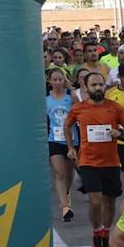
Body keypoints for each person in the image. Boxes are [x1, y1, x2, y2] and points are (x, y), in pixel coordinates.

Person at [65, 71, 124, 247]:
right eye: (94, 85)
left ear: (105, 86)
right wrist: (71, 147)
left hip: (111, 162)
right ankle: (96, 232)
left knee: (110, 201)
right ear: (86, 87)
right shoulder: (79, 108)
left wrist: (120, 133)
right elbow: (67, 125)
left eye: (101, 85)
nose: (98, 88)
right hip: (88, 161)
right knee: (95, 200)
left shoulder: (115, 107)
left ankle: (105, 231)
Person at [46, 67, 75, 222]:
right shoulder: (46, 100)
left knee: (69, 174)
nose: (57, 82)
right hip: (54, 140)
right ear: (49, 81)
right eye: (55, 80)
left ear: (64, 80)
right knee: (59, 173)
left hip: (72, 140)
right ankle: (65, 207)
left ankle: (67, 193)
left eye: (60, 79)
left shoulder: (71, 97)